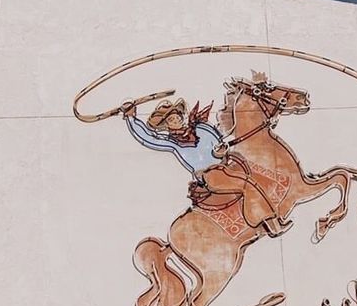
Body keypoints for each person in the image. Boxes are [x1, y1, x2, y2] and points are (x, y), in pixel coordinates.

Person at [122, 99, 289, 236]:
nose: (177, 120)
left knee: (258, 171)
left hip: (227, 164)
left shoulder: (201, 128)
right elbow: (147, 138)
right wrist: (131, 118)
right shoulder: (172, 142)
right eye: (171, 120)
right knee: (247, 184)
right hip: (210, 174)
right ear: (166, 126)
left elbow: (219, 142)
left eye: (177, 116)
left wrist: (221, 151)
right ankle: (271, 225)